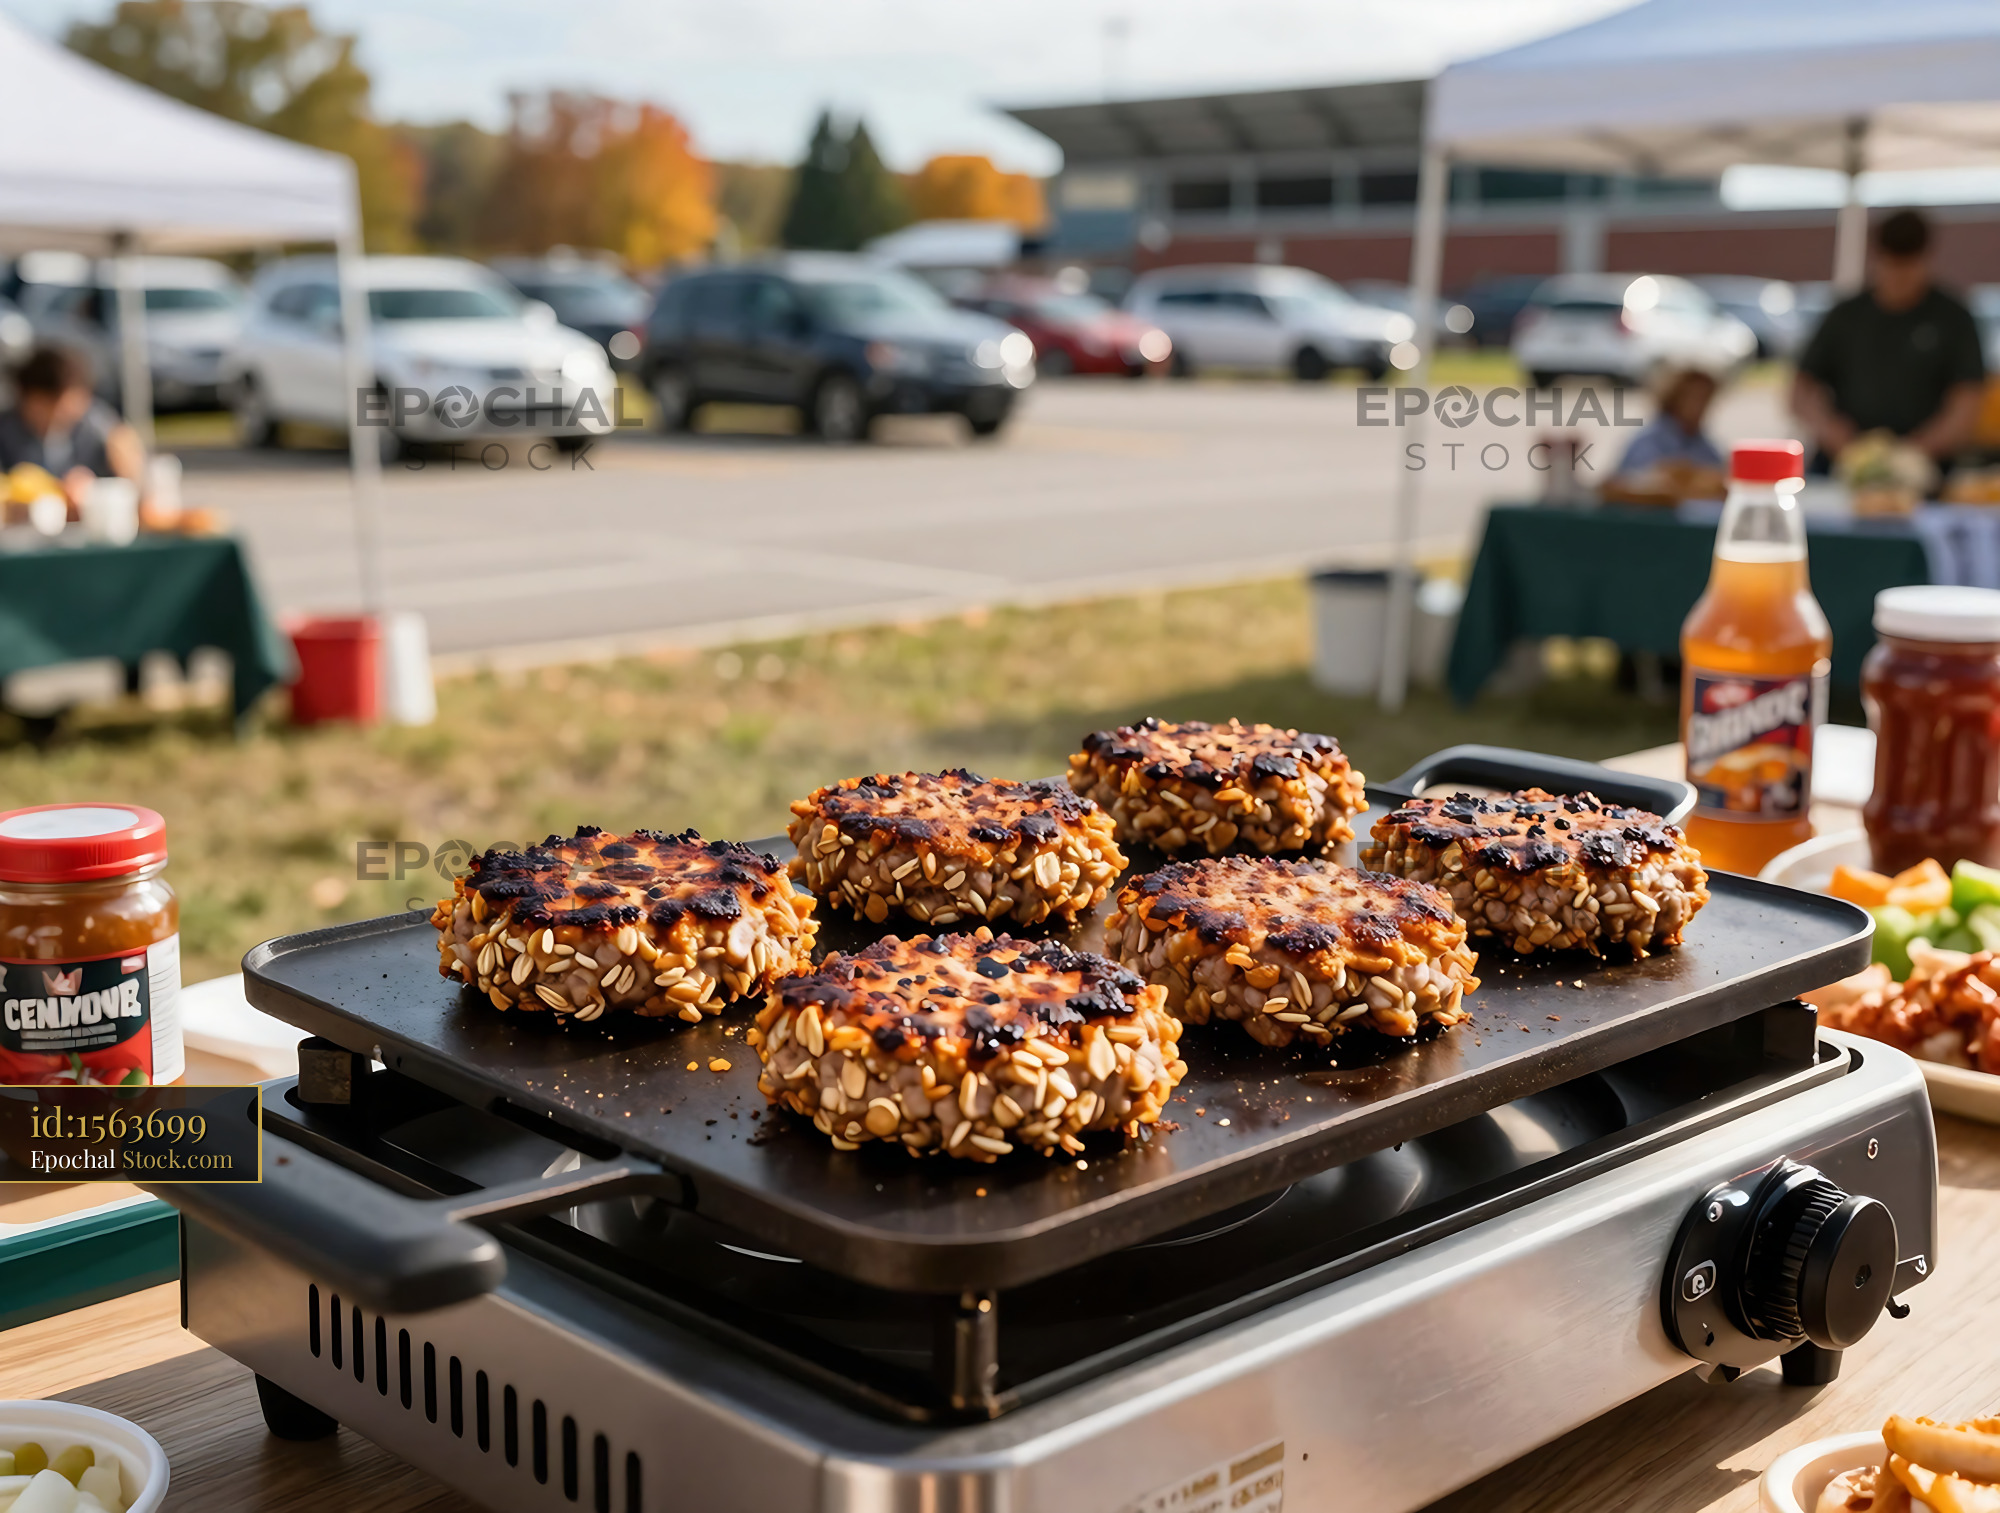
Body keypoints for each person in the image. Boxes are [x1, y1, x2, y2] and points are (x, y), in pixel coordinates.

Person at [1791, 209, 1987, 472]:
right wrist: (1830, 430)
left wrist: (1917, 450)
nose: (1899, 280)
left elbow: (1967, 401)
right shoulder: (1847, 315)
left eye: (1908, 268)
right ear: (1877, 258)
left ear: (1925, 258)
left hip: (1927, 468)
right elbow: (1801, 389)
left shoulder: (1953, 318)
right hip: (1843, 463)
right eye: (1892, 266)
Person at [0, 343, 145, 508]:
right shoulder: (7, 430)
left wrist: (128, 467)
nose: (70, 415)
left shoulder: (91, 423)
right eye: (61, 409)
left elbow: (126, 451)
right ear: (34, 399)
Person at [1602, 365, 1726, 503]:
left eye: (1706, 399)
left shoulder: (1705, 446)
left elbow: (1722, 485)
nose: (1700, 406)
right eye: (1694, 398)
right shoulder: (1646, 441)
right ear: (1675, 398)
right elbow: (1621, 486)